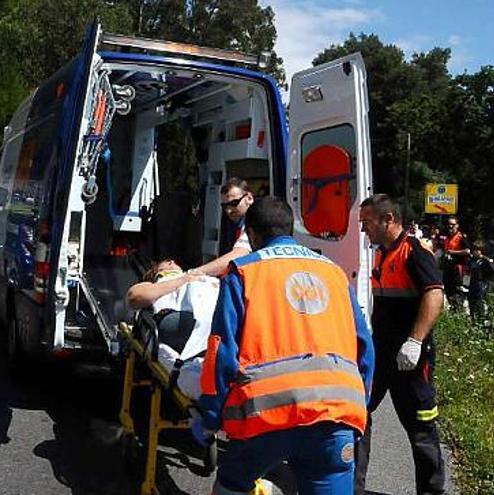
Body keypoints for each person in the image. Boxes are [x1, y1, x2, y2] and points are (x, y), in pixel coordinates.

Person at [194, 197, 374, 495]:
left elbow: (220, 351)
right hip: (335, 415)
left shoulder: (243, 272)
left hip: (266, 418)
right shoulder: (335, 273)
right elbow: (365, 347)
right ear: (291, 230)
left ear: (251, 234)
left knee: (232, 485)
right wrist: (358, 406)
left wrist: (211, 418)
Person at [355, 194, 446, 495]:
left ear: (388, 219)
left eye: (366, 221)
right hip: (381, 354)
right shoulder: (382, 253)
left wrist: (415, 340)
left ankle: (431, 491)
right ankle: (353, 487)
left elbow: (435, 296)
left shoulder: (415, 251)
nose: (362, 228)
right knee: (358, 412)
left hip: (410, 357)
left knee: (421, 427)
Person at [126, 259, 220, 399]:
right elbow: (135, 296)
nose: (171, 260)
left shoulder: (203, 276)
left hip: (213, 320)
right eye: (164, 262)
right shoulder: (161, 281)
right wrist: (183, 279)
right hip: (181, 319)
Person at [194, 177, 254, 276]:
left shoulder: (255, 222)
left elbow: (237, 255)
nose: (229, 210)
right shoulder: (233, 223)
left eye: (234, 203)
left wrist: (195, 272)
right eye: (225, 206)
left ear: (249, 198)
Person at [442, 216, 470, 309]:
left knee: (456, 290)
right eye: (449, 224)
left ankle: (458, 309)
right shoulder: (447, 237)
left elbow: (467, 251)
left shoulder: (461, 236)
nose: (450, 226)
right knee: (447, 288)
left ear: (457, 225)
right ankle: (452, 307)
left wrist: (453, 252)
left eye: (453, 225)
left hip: (457, 268)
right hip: (448, 267)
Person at [467, 240, 494, 322]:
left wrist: (486, 281)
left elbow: (492, 271)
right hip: (472, 283)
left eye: (478, 250)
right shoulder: (471, 260)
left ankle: (481, 320)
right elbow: (467, 272)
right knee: (471, 303)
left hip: (481, 284)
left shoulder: (485, 261)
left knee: (479, 303)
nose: (476, 252)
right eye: (475, 250)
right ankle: (473, 320)